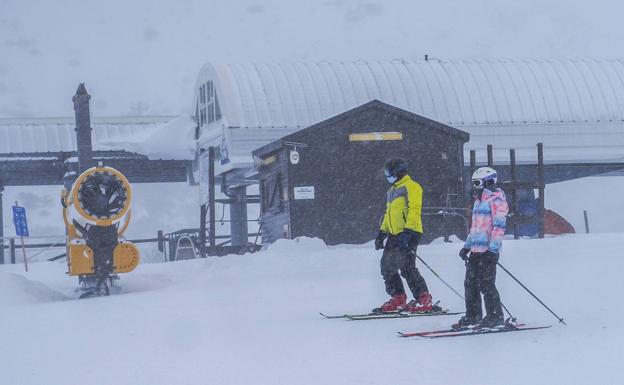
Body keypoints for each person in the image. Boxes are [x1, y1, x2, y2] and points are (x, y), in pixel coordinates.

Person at [373, 158, 434, 313]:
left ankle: (423, 298)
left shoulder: (412, 187)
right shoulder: (391, 190)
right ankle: (398, 297)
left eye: (389, 173)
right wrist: (382, 232)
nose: (388, 176)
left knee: (406, 266)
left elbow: (414, 210)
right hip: (394, 234)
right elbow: (388, 214)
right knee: (386, 266)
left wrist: (408, 231)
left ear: (399, 172)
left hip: (410, 232)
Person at [454, 166, 509, 329]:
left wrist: (493, 250)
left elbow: (499, 227)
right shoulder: (478, 201)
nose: (475, 186)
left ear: (489, 182)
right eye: (473, 183)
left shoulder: (496, 200)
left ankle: (495, 316)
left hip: (488, 252)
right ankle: (473, 315)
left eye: (478, 183)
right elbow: (475, 228)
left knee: (487, 284)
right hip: (476, 251)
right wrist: (467, 246)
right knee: (470, 284)